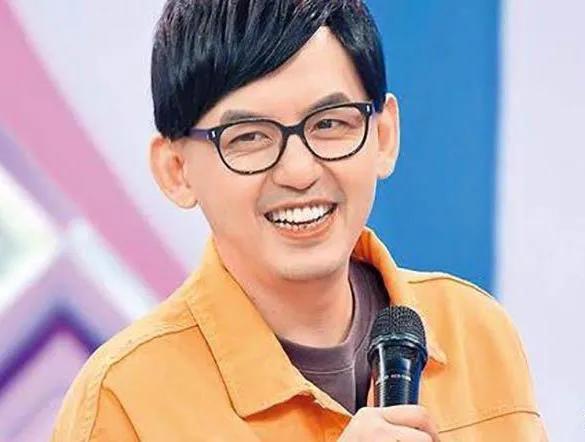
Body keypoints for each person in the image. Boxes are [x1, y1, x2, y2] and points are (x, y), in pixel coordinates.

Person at [52, 1, 547, 440]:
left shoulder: (474, 331)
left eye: (329, 124)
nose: (299, 171)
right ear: (176, 170)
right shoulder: (126, 399)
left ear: (383, 136)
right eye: (249, 137)